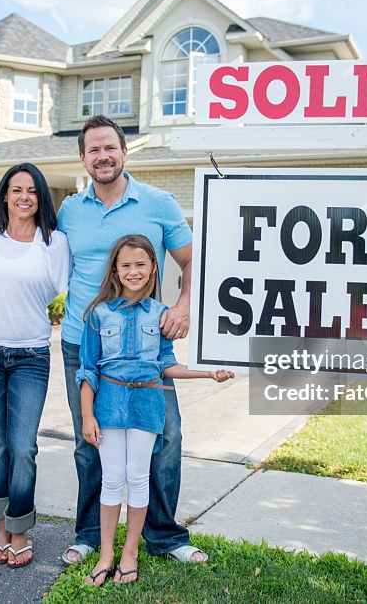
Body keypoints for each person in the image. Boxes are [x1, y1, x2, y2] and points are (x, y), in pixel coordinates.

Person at [57, 115, 208, 565]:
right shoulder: (69, 210)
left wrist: (182, 307)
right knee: (90, 439)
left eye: (110, 148)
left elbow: (194, 262)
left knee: (165, 435)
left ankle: (164, 536)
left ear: (125, 153)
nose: (103, 156)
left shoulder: (158, 202)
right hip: (83, 345)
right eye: (93, 150)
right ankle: (88, 535)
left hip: (145, 348)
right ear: (82, 158)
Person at [76, 235, 234, 586]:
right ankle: (105, 555)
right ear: (115, 270)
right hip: (110, 405)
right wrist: (88, 416)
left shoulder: (161, 314)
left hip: (147, 404)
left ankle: (129, 553)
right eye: (126, 265)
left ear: (152, 269)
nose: (134, 271)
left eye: (141, 265)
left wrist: (208, 372)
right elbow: (87, 370)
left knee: (137, 476)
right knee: (112, 478)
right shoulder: (98, 313)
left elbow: (167, 364)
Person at [0, 163, 69, 568]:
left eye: (31, 190)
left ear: (41, 197)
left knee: (23, 447)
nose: (24, 196)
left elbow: (69, 295)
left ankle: (21, 528)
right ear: (4, 196)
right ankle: (1, 528)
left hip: (30, 355)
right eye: (16, 189)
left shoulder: (54, 243)